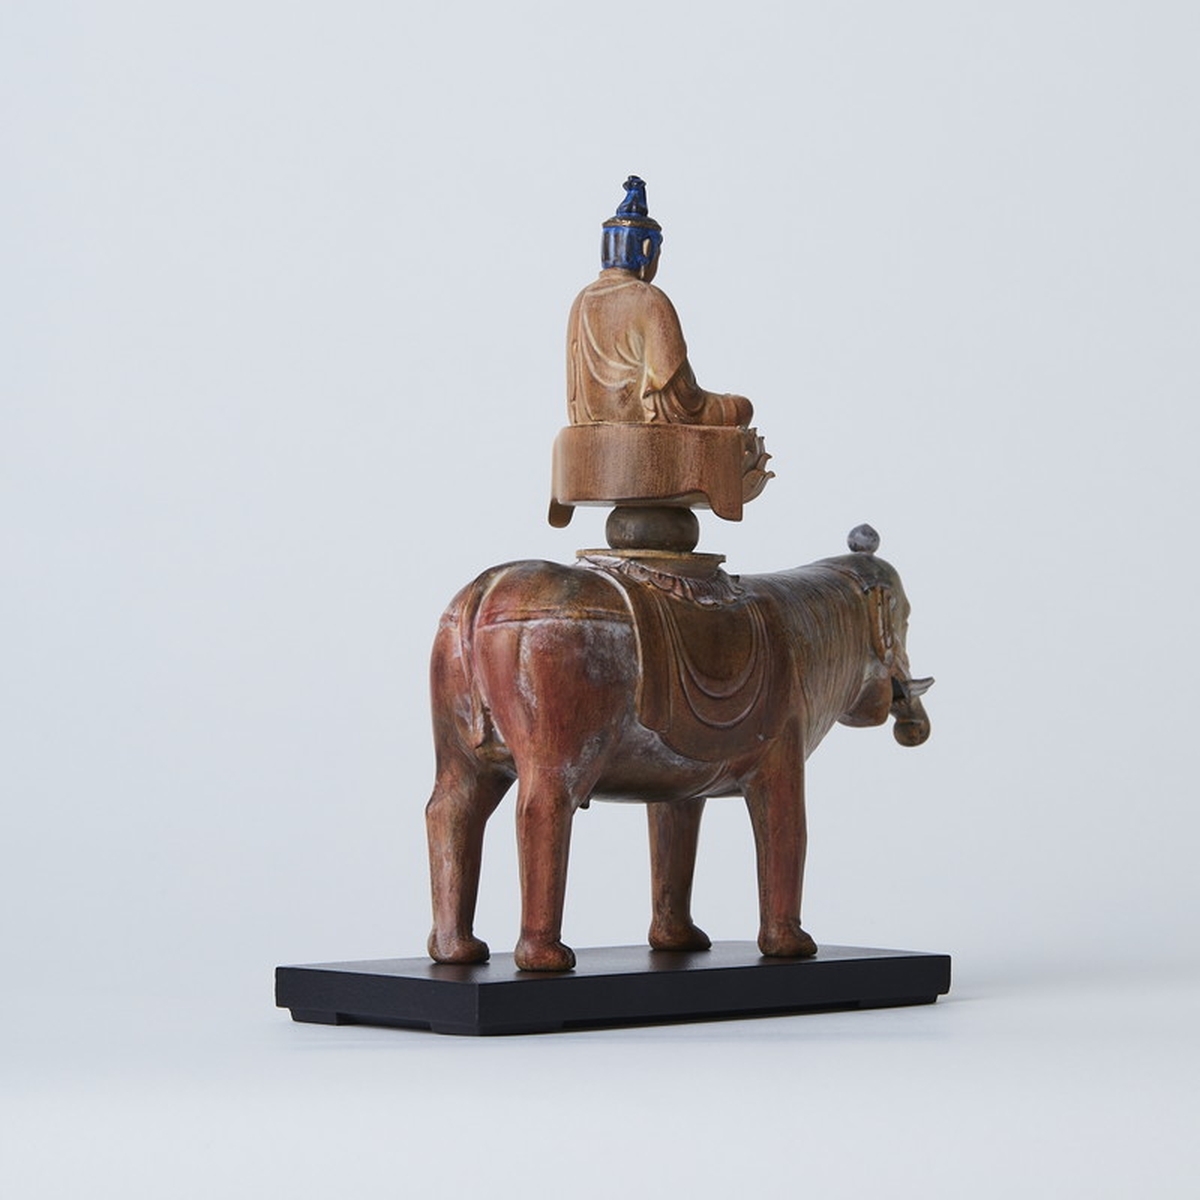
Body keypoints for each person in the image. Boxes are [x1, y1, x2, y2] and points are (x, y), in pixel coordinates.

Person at [567, 177, 753, 428]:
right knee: (742, 407)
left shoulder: (581, 301)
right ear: (646, 249)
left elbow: (574, 396)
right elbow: (679, 398)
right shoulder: (650, 299)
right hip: (645, 419)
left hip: (588, 423)